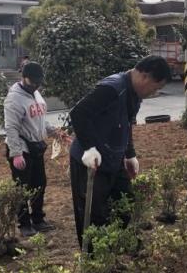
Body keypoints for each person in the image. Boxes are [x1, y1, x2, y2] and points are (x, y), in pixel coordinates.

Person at [69, 55, 171, 245]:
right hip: (91, 160)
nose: (153, 93)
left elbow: (125, 123)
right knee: (93, 214)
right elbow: (78, 113)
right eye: (155, 88)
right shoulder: (112, 88)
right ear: (145, 76)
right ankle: (95, 262)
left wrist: (129, 154)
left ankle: (120, 247)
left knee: (125, 202)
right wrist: (89, 148)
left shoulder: (135, 94)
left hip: (113, 158)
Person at [5, 61, 69, 237]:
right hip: (22, 149)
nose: (36, 85)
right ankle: (24, 224)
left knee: (39, 184)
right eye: (33, 82)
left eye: (39, 82)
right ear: (23, 78)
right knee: (22, 189)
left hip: (36, 148)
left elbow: (41, 120)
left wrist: (56, 133)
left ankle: (38, 219)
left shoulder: (36, 94)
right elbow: (11, 128)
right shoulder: (14, 99)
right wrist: (16, 154)